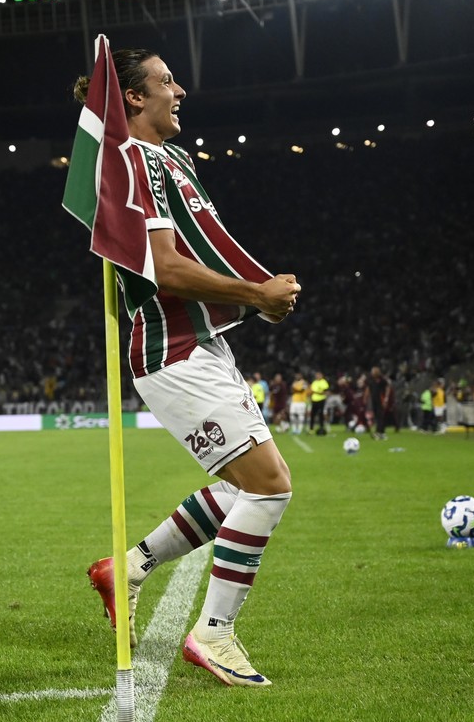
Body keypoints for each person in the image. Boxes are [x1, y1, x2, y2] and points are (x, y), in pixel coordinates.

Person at [74, 48, 300, 687]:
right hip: (170, 350)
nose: (181, 90)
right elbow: (164, 266)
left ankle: (127, 569)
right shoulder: (130, 164)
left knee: (239, 488)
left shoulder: (172, 159)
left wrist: (253, 290)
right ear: (135, 100)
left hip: (205, 345)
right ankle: (214, 635)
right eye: (166, 81)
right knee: (269, 485)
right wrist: (255, 295)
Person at [309, 370, 329, 435]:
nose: (317, 376)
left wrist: (316, 392)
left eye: (319, 375)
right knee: (312, 415)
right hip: (314, 400)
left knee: (321, 415)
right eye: (317, 375)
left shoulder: (324, 382)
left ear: (321, 375)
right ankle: (311, 429)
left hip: (321, 400)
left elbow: (325, 392)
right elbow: (311, 391)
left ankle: (321, 428)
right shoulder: (314, 382)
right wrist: (317, 392)